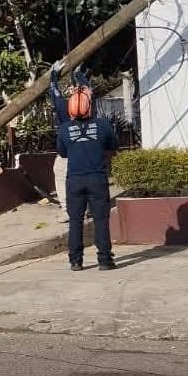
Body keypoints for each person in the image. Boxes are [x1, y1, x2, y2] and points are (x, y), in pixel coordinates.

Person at [56, 86, 119, 271]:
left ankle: (76, 261)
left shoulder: (64, 129)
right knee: (101, 220)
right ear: (89, 105)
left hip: (74, 180)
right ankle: (105, 260)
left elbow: (63, 152)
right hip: (97, 178)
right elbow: (113, 145)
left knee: (75, 220)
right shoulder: (103, 125)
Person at [49, 60, 90, 223]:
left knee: (60, 174)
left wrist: (53, 74)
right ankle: (84, 208)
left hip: (67, 151)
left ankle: (67, 210)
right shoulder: (87, 104)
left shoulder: (64, 106)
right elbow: (87, 89)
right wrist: (79, 74)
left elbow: (54, 92)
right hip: (86, 149)